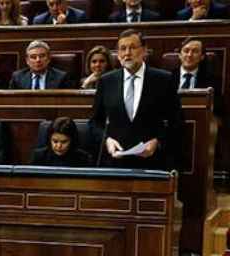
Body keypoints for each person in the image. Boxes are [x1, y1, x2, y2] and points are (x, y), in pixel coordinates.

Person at [90, 29, 183, 170]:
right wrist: (107, 141)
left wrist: (157, 142)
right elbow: (95, 122)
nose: (127, 53)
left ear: (144, 51)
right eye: (122, 49)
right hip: (115, 161)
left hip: (152, 162)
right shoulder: (107, 81)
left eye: (132, 48)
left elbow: (177, 120)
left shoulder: (163, 79)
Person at [178, 37, 223, 115]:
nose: (189, 55)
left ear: (202, 57)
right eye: (186, 51)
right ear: (179, 55)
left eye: (195, 51)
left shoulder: (212, 81)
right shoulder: (166, 77)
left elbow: (218, 111)